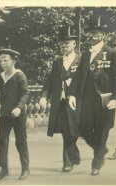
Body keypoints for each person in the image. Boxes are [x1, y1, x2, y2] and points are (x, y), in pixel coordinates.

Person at [68, 16, 116, 176]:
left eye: (96, 33)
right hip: (87, 100)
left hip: (104, 100)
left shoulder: (112, 53)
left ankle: (96, 164)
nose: (93, 36)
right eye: (91, 33)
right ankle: (102, 149)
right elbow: (78, 77)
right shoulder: (85, 54)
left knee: (101, 132)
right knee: (83, 128)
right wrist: (72, 94)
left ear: (102, 35)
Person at [39, 26, 81, 173]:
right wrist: (44, 97)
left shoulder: (82, 60)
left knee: (74, 131)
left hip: (77, 103)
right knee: (65, 131)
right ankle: (68, 162)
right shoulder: (57, 63)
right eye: (62, 43)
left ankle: (73, 153)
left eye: (67, 43)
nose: (64, 46)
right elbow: (49, 82)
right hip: (61, 103)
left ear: (74, 44)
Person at [0, 48, 30, 181]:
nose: (2, 63)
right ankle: (4, 169)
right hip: (5, 114)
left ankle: (25, 169)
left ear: (13, 61)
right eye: (1, 60)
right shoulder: (2, 76)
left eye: (5, 60)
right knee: (2, 141)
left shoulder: (19, 75)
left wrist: (19, 108)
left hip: (18, 114)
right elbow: (2, 94)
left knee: (21, 141)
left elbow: (25, 93)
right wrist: (3, 107)